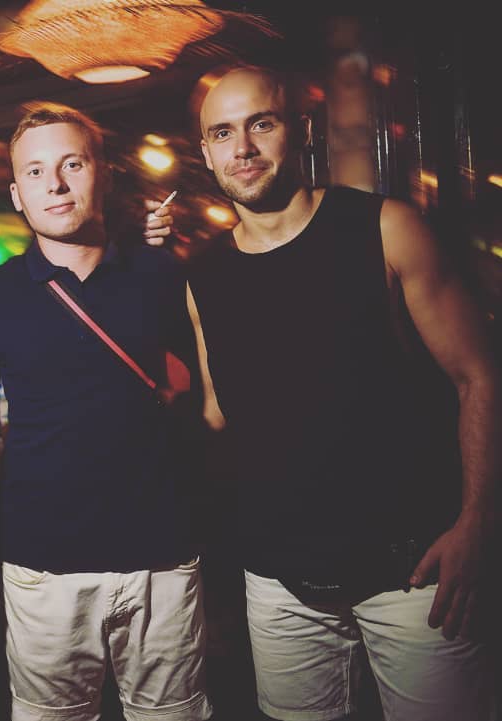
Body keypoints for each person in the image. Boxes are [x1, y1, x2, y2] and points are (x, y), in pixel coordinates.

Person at [187, 65, 499, 721]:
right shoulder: (204, 275)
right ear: (206, 152)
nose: (242, 147)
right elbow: (218, 415)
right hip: (279, 582)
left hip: (414, 572)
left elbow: (479, 375)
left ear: (301, 131)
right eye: (222, 132)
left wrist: (477, 521)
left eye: (260, 124)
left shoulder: (385, 227)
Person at [0, 102, 211, 721]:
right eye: (36, 171)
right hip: (44, 564)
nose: (55, 183)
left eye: (72, 164)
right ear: (16, 195)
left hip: (162, 555)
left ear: (104, 174)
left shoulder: (164, 275)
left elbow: (208, 395)